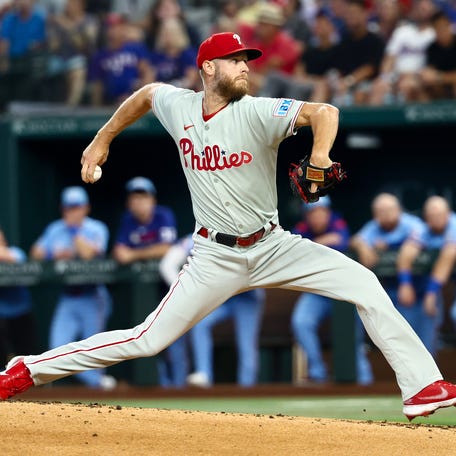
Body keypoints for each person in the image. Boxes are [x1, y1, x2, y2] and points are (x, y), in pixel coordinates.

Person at [2, 31, 456, 422]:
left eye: (247, 60)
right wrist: (101, 140)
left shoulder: (258, 110)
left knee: (364, 282)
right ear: (207, 69)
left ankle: (420, 388)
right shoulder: (178, 105)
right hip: (214, 256)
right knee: (145, 339)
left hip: (274, 245)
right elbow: (144, 95)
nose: (244, 67)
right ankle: (27, 369)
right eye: (235, 60)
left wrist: (319, 156)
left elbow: (325, 112)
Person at [29, 186, 116, 390]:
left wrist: (75, 235)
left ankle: (101, 391)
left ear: (86, 208)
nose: (72, 212)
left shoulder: (97, 228)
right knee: (56, 351)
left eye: (76, 207)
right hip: (68, 298)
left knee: (93, 353)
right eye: (68, 208)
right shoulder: (55, 229)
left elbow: (89, 255)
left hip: (93, 297)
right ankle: (101, 384)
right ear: (63, 209)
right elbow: (35, 254)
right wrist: (53, 254)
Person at [159, 234, 264, 388]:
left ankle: (247, 387)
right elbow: (166, 265)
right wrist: (184, 290)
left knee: (246, 342)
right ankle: (204, 375)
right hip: (221, 296)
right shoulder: (199, 237)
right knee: (200, 323)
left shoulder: (246, 236)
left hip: (246, 297)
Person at [291, 196, 373, 385]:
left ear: (328, 213)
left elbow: (342, 242)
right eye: (313, 213)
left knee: (353, 334)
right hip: (317, 292)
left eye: (322, 212)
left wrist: (315, 243)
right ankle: (318, 372)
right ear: (307, 216)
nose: (318, 217)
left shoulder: (338, 222)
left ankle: (364, 379)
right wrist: (323, 241)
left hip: (343, 292)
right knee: (301, 322)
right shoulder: (301, 229)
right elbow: (296, 251)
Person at [112, 176, 181, 387]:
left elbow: (167, 248)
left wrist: (135, 254)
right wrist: (144, 253)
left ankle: (180, 388)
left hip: (168, 289)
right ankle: (161, 387)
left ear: (152, 200)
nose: (139, 202)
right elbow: (118, 253)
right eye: (135, 198)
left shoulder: (163, 215)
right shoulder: (127, 220)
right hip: (142, 297)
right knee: (146, 338)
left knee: (175, 339)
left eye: (143, 197)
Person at [396, 196, 456, 357]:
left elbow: (449, 255)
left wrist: (431, 293)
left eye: (440, 215)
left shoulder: (454, 224)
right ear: (427, 218)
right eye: (432, 216)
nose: (436, 219)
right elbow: (407, 252)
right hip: (442, 283)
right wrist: (405, 283)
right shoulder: (424, 228)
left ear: (448, 214)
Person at [87, 12, 154, 107]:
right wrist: (96, 108)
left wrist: (143, 99)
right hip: (110, 104)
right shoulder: (99, 56)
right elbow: (97, 86)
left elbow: (147, 73)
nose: (114, 30)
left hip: (135, 100)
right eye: (111, 27)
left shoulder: (136, 48)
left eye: (118, 26)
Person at [0, 227, 37, 368]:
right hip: (1, 314)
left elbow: (17, 259)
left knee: (26, 356)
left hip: (21, 311)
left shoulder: (15, 252)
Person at [419, 10, 456, 101]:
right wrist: (427, 76)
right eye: (438, 28)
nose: (442, 31)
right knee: (422, 91)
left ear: (449, 26)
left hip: (450, 83)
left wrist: (439, 77)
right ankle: (428, 115)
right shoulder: (432, 48)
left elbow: (437, 76)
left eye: (444, 27)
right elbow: (430, 72)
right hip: (440, 86)